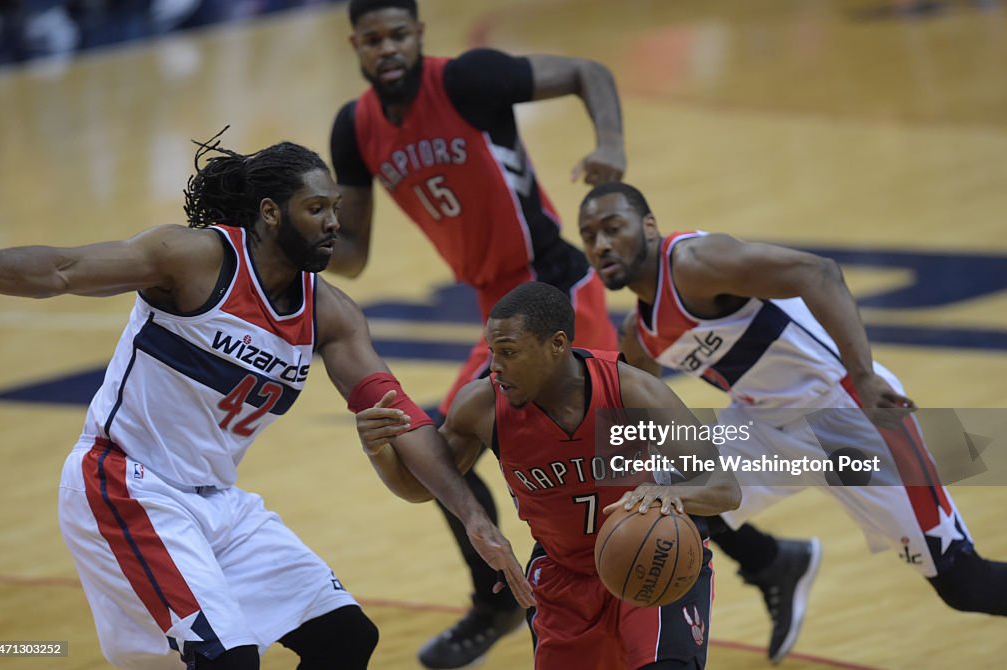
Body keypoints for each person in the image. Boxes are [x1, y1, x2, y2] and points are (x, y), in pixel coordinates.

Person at [0, 132, 533, 670]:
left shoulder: (332, 315)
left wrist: (473, 518)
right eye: (316, 208)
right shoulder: (195, 258)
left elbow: (405, 420)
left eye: (336, 208)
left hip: (218, 502)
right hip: (127, 482)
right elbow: (62, 270)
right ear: (271, 213)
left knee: (345, 639)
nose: (334, 223)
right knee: (229, 658)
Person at [328, 0, 624, 665]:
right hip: (497, 310)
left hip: (553, 290)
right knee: (440, 451)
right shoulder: (355, 127)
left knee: (614, 447)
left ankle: (755, 558)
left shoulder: (468, 80)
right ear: (355, 44)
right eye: (373, 39)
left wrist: (610, 144)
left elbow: (588, 70)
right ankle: (499, 598)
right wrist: (298, 242)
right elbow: (352, 251)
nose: (387, 48)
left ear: (419, 34)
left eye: (398, 34)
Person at [577, 182, 1007, 634]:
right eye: (589, 236)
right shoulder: (638, 335)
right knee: (670, 501)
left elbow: (818, 273)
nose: (601, 244)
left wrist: (863, 374)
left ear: (648, 226)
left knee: (964, 586)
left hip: (847, 417)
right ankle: (772, 566)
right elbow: (638, 420)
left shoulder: (694, 264)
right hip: (766, 427)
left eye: (612, 228)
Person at [355, 281, 742, 670]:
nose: (495, 366)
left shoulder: (631, 392)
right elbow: (419, 489)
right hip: (563, 578)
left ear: (556, 345)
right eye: (492, 352)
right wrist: (379, 452)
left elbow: (725, 488)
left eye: (508, 353)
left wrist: (667, 495)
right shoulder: (481, 406)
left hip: (653, 555)